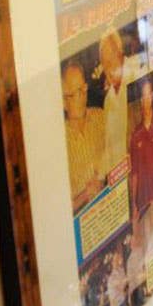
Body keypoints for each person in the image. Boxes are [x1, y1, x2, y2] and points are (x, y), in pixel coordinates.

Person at [63, 61, 107, 210]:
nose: (82, 97)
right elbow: (60, 209)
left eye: (83, 88)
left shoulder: (100, 117)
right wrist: (85, 195)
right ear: (63, 102)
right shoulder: (60, 143)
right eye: (75, 93)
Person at [129, 76, 153, 235]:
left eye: (148, 95)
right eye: (143, 97)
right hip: (143, 201)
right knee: (149, 244)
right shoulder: (136, 134)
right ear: (140, 100)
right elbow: (134, 174)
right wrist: (134, 205)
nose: (146, 100)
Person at [99, 29, 129, 174]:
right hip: (119, 178)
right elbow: (108, 147)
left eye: (111, 61)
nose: (108, 69)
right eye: (104, 64)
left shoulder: (136, 76)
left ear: (121, 54)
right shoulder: (108, 101)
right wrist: (99, 177)